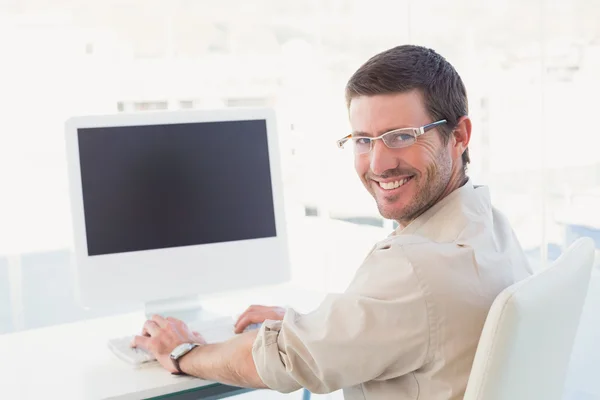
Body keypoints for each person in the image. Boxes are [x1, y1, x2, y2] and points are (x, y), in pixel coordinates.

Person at [132, 45, 531, 400]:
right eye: (363, 140)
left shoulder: (415, 267)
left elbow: (285, 362)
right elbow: (407, 321)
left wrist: (183, 351)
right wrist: (315, 328)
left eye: (400, 136)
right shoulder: (490, 225)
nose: (378, 164)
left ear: (459, 135)